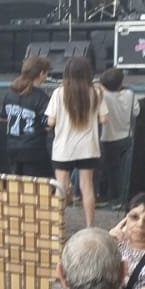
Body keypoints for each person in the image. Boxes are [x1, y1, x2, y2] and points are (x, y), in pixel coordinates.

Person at [46, 56, 108, 229]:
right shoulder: (96, 93)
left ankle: (58, 226)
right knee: (87, 187)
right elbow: (104, 119)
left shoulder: (59, 93)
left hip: (63, 148)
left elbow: (51, 121)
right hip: (88, 148)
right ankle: (89, 226)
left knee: (61, 187)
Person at [3, 55, 52, 178]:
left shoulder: (9, 93)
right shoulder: (41, 97)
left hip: (12, 146)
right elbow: (47, 123)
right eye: (46, 73)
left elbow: (3, 117)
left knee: (16, 185)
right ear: (41, 73)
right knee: (33, 185)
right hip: (33, 149)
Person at [97, 66, 139, 207]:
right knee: (120, 171)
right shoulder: (129, 94)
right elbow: (136, 112)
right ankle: (118, 198)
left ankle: (107, 197)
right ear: (121, 83)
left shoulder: (103, 97)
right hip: (125, 137)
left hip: (107, 139)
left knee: (108, 171)